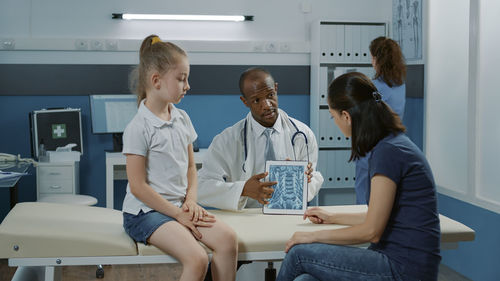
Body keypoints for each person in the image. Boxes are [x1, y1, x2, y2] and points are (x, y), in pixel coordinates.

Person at [277, 72, 441, 281]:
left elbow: (372, 231)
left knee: (298, 254)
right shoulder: (391, 144)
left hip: (403, 269)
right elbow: (379, 216)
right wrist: (332, 218)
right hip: (397, 260)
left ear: (346, 116)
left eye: (333, 116)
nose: (334, 122)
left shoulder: (388, 151)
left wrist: (311, 237)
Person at [121, 35, 237, 281]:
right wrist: (177, 213)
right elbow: (138, 187)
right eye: (182, 78)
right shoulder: (138, 127)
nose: (188, 86)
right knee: (197, 259)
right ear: (156, 81)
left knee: (227, 241)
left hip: (179, 207)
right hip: (145, 213)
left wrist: (191, 202)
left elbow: (192, 168)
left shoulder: (182, 118)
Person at [197, 67, 324, 210]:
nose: (267, 105)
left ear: (276, 89)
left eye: (270, 95)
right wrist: (243, 189)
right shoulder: (227, 140)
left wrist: (302, 182)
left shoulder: (303, 135)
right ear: (245, 101)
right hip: (247, 216)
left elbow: (313, 180)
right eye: (257, 100)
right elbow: (201, 187)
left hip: (288, 214)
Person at [355, 36, 407, 204]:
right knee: (387, 198)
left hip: (371, 148)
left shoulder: (374, 86)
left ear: (377, 58)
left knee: (365, 199)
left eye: (372, 57)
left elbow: (362, 116)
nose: (371, 61)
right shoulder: (400, 84)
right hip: (394, 146)